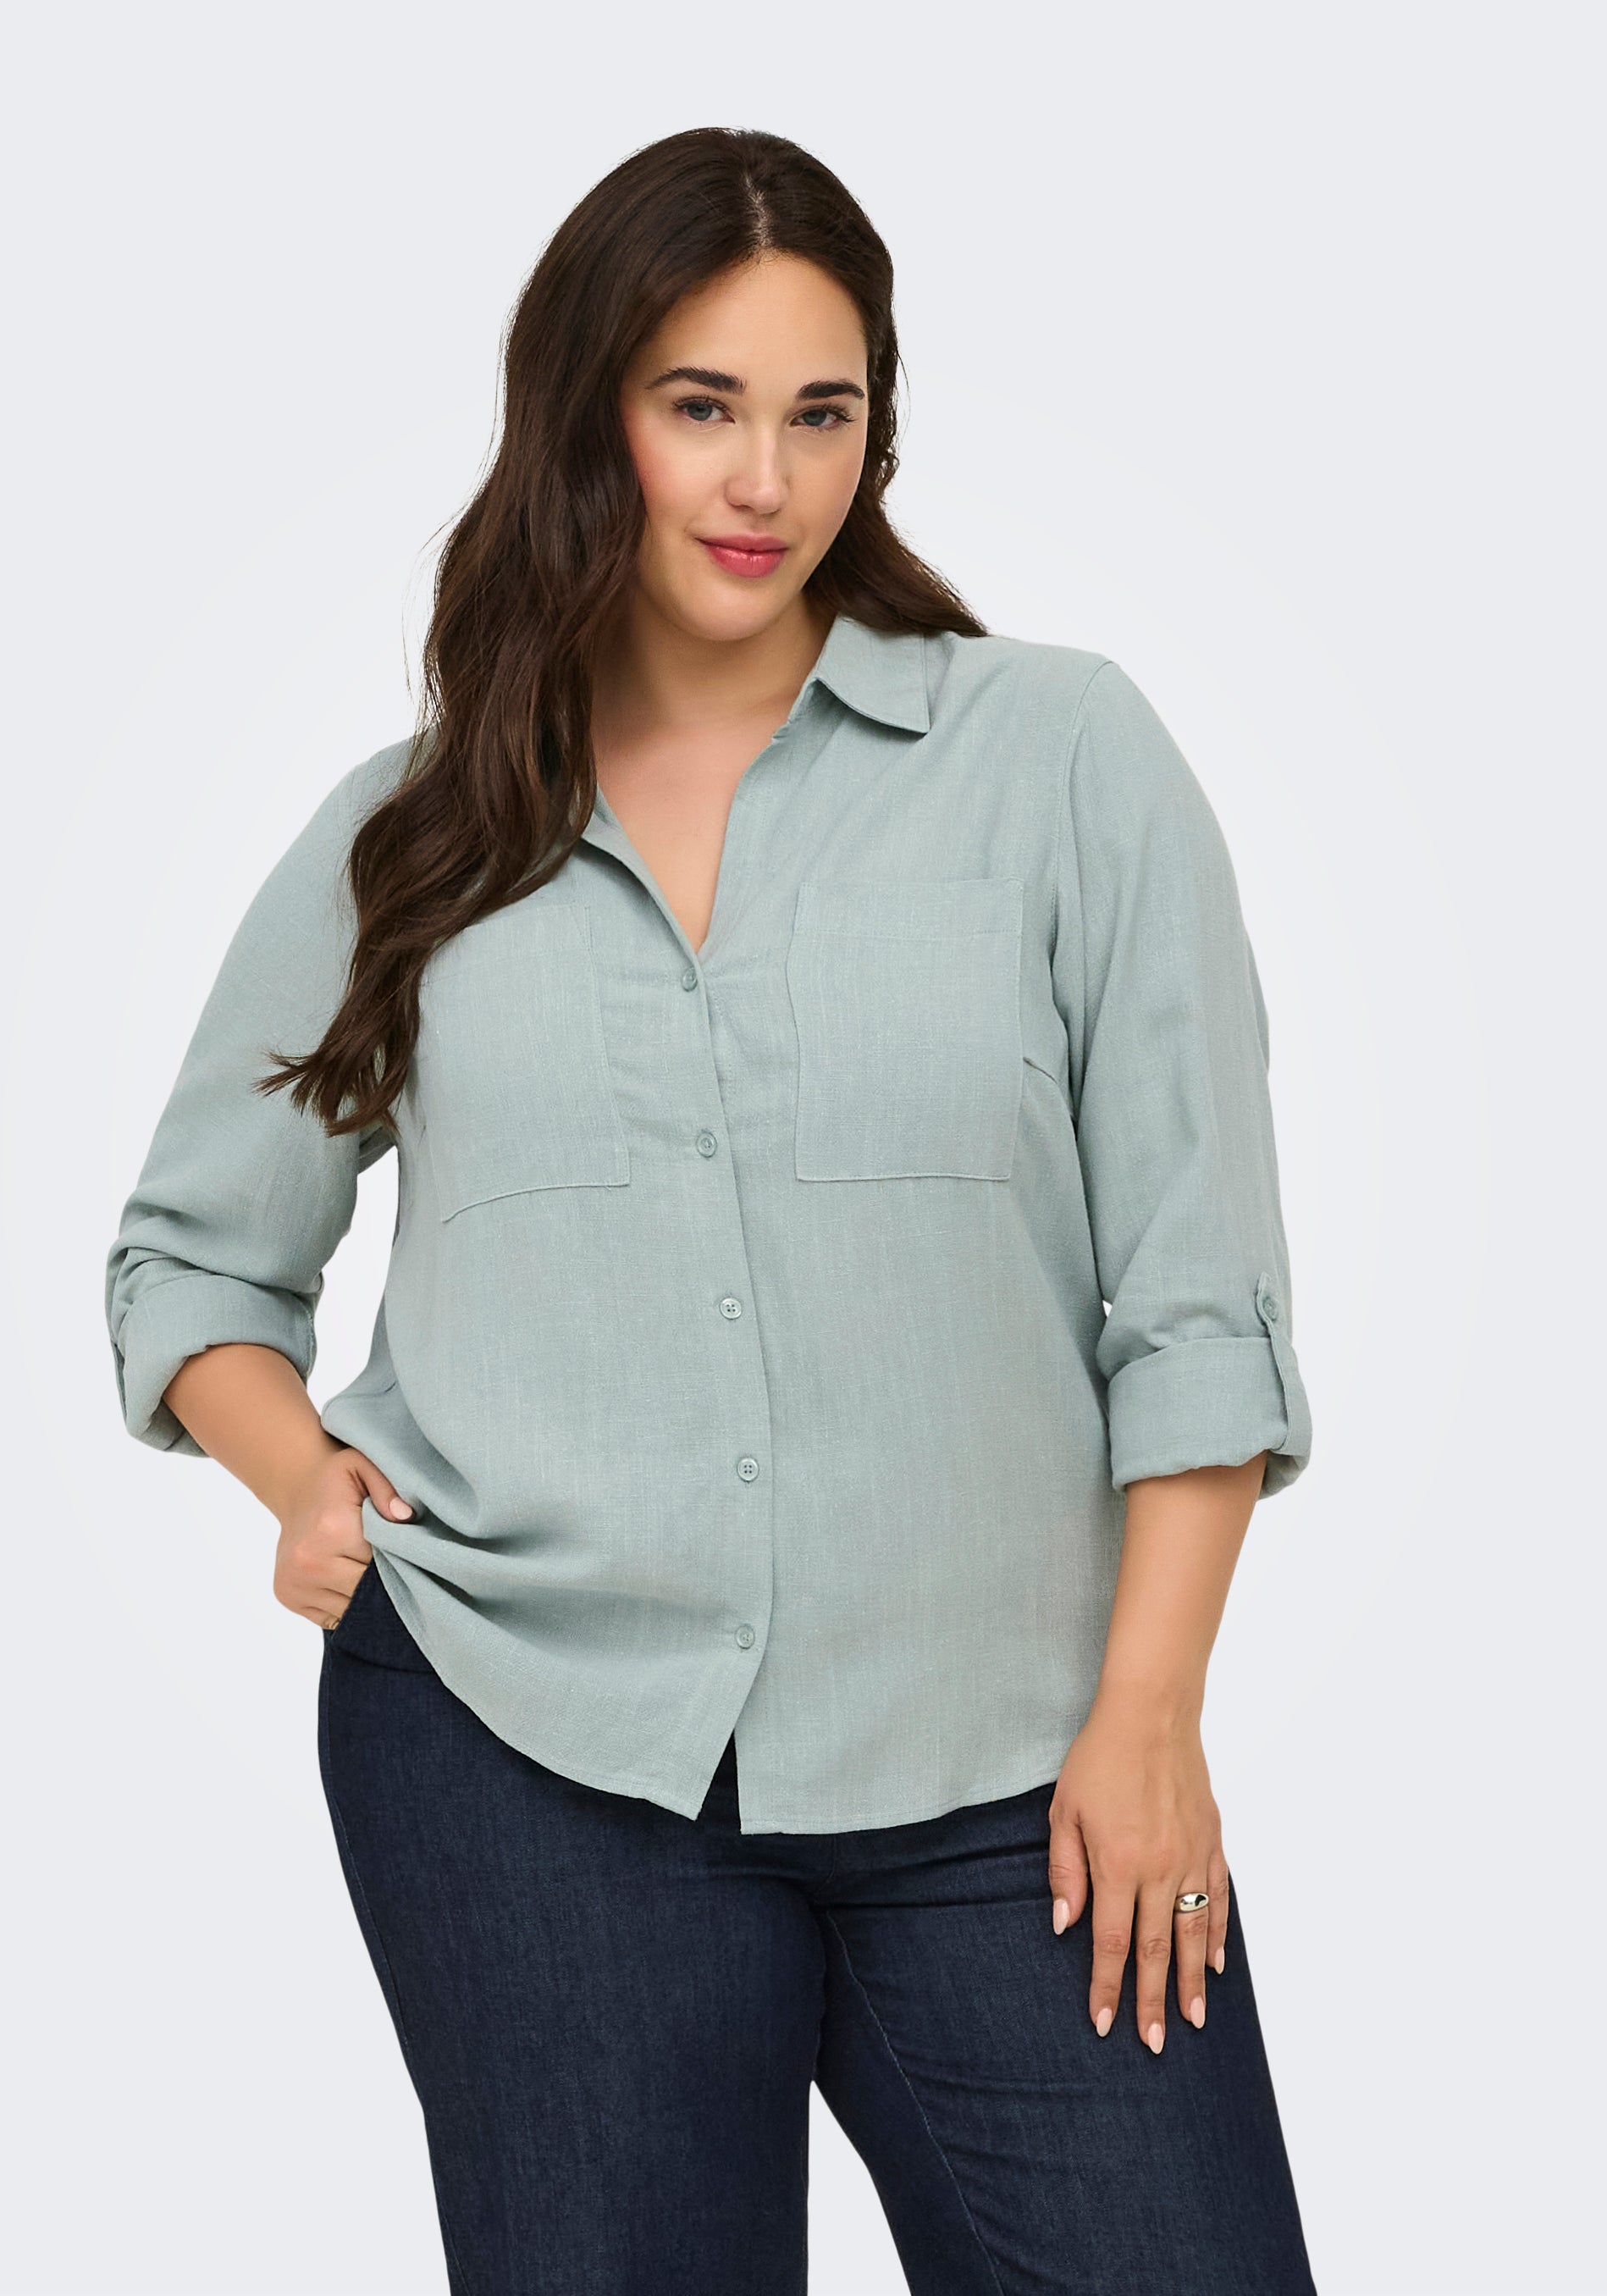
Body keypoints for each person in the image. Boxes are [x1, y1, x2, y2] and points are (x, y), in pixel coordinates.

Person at [104, 124, 1317, 2296]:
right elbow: (191, 1254)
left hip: (1018, 1770)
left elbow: (1197, 1296)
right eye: (701, 406)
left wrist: (1152, 1716)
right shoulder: (418, 834)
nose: (766, 479)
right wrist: (300, 1480)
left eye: (821, 413)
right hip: (528, 1761)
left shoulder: (1062, 761)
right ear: (590, 420)